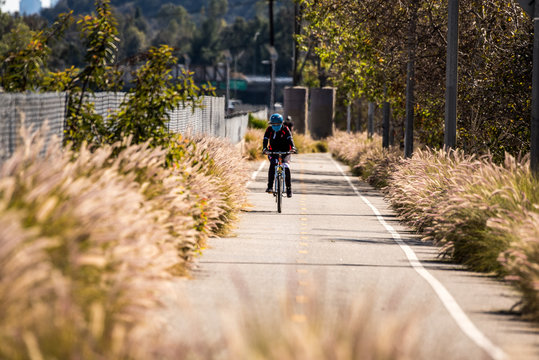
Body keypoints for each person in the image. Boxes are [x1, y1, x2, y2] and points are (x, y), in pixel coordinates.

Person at [263, 113, 296, 197]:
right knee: (272, 165)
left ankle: (289, 189)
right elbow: (265, 139)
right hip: (272, 152)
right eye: (273, 124)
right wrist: (264, 148)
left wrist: (293, 147)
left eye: (277, 124)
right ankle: (270, 186)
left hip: (285, 152)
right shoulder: (269, 129)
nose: (275, 126)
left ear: (281, 123)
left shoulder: (285, 129)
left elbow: (290, 138)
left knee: (286, 168)